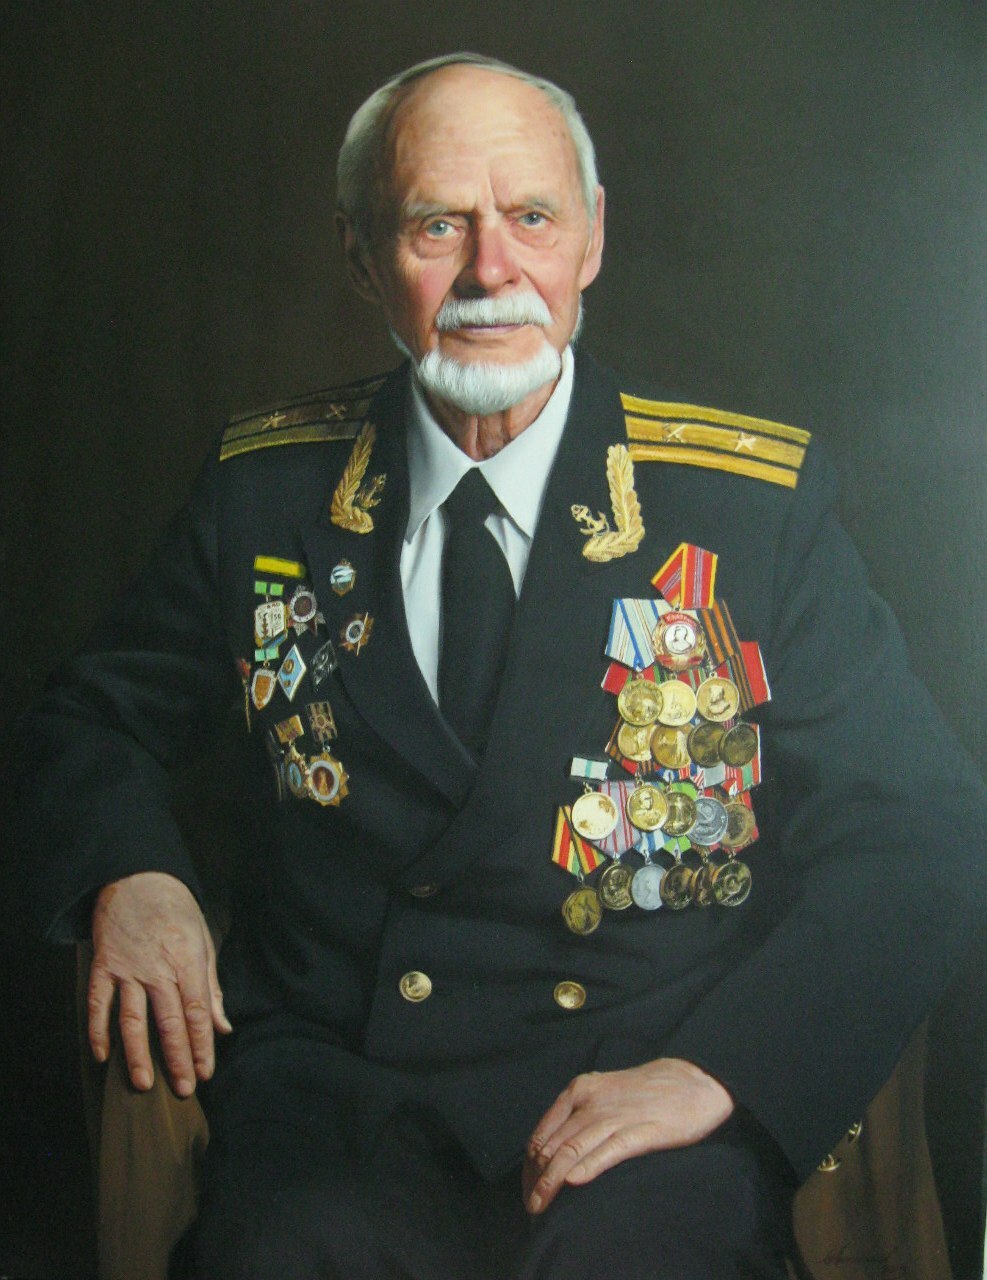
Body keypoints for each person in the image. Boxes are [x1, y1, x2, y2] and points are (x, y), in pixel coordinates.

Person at [14, 52, 984, 1280]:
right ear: (362, 254)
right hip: (339, 1095)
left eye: (531, 216)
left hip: (644, 1089)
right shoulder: (265, 490)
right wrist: (132, 869)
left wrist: (721, 1070)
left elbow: (920, 826)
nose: (490, 270)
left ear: (592, 240)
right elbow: (88, 717)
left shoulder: (746, 512)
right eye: (438, 225)